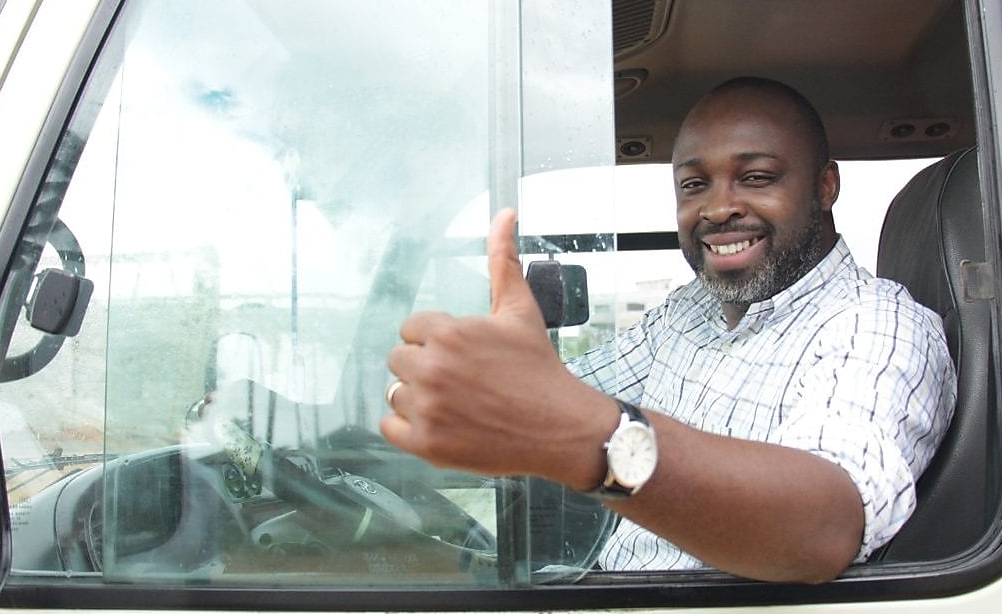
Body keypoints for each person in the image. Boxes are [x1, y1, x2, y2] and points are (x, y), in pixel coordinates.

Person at [381, 76, 956, 583]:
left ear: (825, 187)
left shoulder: (877, 328)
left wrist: (594, 441)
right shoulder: (687, 313)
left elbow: (824, 526)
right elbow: (559, 394)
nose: (718, 208)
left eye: (755, 177)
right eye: (694, 184)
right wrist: (482, 383)